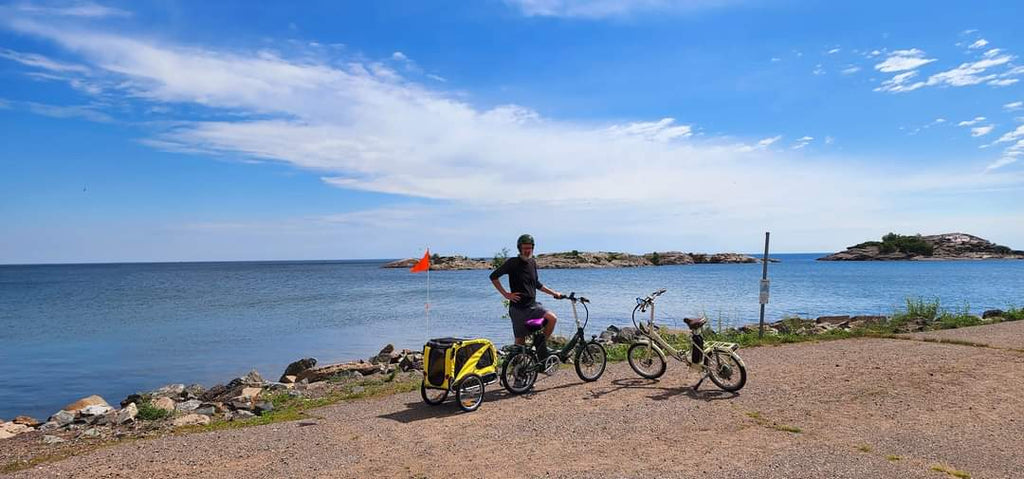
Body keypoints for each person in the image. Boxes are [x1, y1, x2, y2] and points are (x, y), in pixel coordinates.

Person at [490, 234, 563, 350]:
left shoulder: (532, 263)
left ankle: (540, 347)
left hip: (533, 306)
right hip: (518, 309)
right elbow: (493, 277)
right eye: (524, 248)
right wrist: (506, 294)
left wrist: (554, 293)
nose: (527, 251)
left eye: (529, 248)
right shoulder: (512, 263)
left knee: (552, 318)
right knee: (520, 342)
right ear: (520, 248)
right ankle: (518, 365)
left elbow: (537, 284)